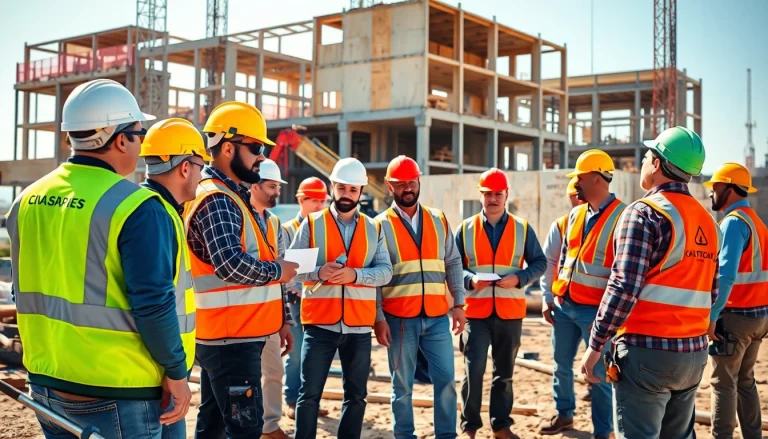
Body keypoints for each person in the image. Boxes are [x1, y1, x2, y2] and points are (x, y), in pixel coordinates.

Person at [8, 79, 193, 438]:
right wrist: (176, 372)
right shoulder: (136, 207)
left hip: (46, 383)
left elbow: (22, 291)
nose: (141, 147)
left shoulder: (27, 200)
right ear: (121, 139)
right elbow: (154, 304)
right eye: (139, 135)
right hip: (117, 389)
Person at [580, 126, 721, 439]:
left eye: (646, 156)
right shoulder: (708, 223)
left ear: (657, 163)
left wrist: (595, 345)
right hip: (693, 355)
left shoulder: (643, 213)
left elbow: (623, 287)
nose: (642, 162)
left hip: (647, 352)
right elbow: (712, 291)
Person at [185, 101, 298, 439]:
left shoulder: (231, 196)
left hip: (232, 336)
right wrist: (279, 271)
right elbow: (230, 264)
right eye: (256, 148)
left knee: (214, 425)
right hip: (230, 339)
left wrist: (281, 319)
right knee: (244, 429)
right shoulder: (218, 198)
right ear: (228, 148)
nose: (261, 158)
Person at [289, 157, 393, 439]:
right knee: (308, 394)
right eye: (342, 188)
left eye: (353, 190)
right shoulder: (311, 224)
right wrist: (320, 271)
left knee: (357, 396)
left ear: (361, 192)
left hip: (359, 327)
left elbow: (385, 272)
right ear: (332, 187)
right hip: (319, 324)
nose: (347, 194)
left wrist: (355, 276)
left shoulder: (375, 228)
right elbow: (291, 271)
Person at [374, 155, 467, 439]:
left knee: (446, 382)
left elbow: (453, 262)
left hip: (438, 317)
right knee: (402, 387)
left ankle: (446, 436)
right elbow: (375, 276)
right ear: (390, 187)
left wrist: (460, 303)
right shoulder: (379, 224)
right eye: (400, 184)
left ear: (418, 182)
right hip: (399, 318)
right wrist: (378, 317)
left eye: (411, 182)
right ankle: (404, 435)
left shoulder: (438, 219)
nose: (407, 188)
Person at [455, 168, 547, 439]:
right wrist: (471, 280)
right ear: (481, 196)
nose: (493, 199)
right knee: (473, 370)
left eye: (498, 194)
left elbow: (540, 263)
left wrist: (520, 277)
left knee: (504, 373)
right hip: (477, 312)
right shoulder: (466, 228)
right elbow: (453, 267)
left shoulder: (522, 228)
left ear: (506, 195)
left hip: (510, 312)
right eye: (488, 194)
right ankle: (469, 426)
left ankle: (500, 425)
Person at [540, 151, 626, 439]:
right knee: (560, 365)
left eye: (580, 177)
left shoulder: (623, 217)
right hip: (565, 306)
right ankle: (564, 414)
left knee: (598, 376)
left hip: (596, 312)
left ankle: (603, 431)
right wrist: (550, 297)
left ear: (597, 178)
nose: (575, 183)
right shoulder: (576, 214)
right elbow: (564, 260)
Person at [138, 117, 211, 438]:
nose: (201, 175)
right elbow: (155, 301)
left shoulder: (161, 209)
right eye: (199, 166)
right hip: (155, 373)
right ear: (185, 168)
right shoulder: (155, 213)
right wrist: (175, 371)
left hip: (160, 370)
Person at [704, 162, 768, 439]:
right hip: (759, 317)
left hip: (734, 316)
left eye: (715, 188)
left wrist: (712, 315)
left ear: (729, 189)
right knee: (745, 381)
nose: (711, 194)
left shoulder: (732, 223)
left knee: (722, 383)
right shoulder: (758, 224)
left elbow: (726, 276)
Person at [246, 159, 294, 439]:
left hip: (271, 316)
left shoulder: (275, 223)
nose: (277, 191)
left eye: (278, 186)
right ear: (255, 185)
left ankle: (270, 427)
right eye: (272, 186)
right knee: (245, 380)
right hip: (245, 315)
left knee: (274, 373)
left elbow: (283, 278)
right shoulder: (241, 217)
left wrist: (285, 319)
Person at [281, 177, 331, 421]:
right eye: (315, 200)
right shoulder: (287, 229)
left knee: (315, 356)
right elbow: (282, 263)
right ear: (301, 200)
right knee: (297, 353)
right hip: (295, 301)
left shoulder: (325, 229)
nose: (320, 205)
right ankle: (292, 399)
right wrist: (294, 288)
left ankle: (310, 401)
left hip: (319, 301)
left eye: (323, 201)